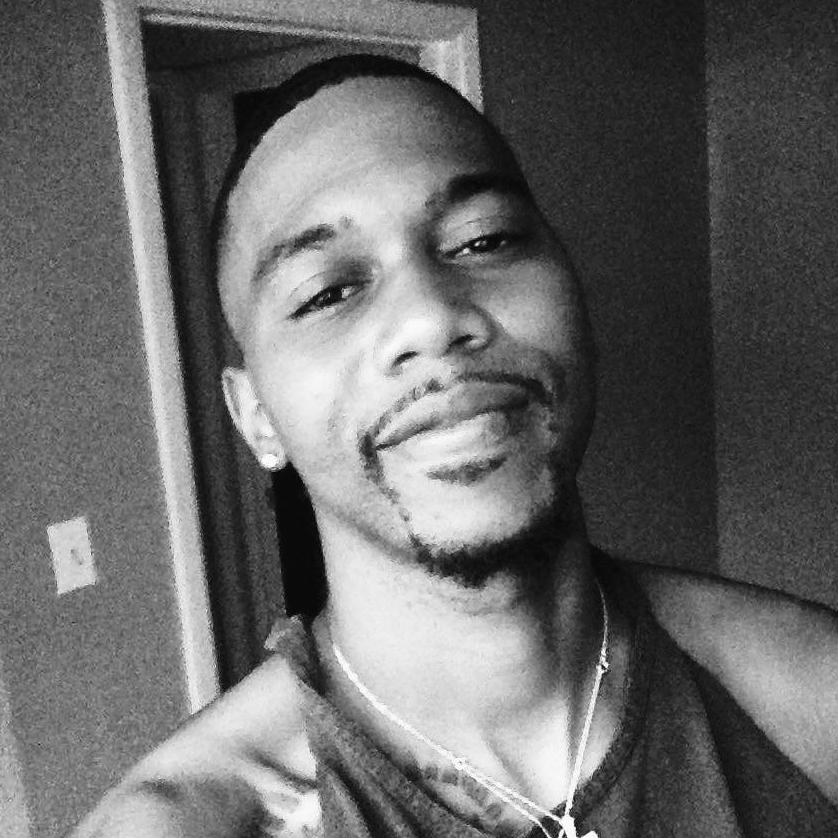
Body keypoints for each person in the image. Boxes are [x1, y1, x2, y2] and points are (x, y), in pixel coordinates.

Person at [72, 54, 838, 838]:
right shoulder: (180, 826)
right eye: (328, 292)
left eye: (483, 240)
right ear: (256, 416)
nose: (430, 318)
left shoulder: (812, 699)